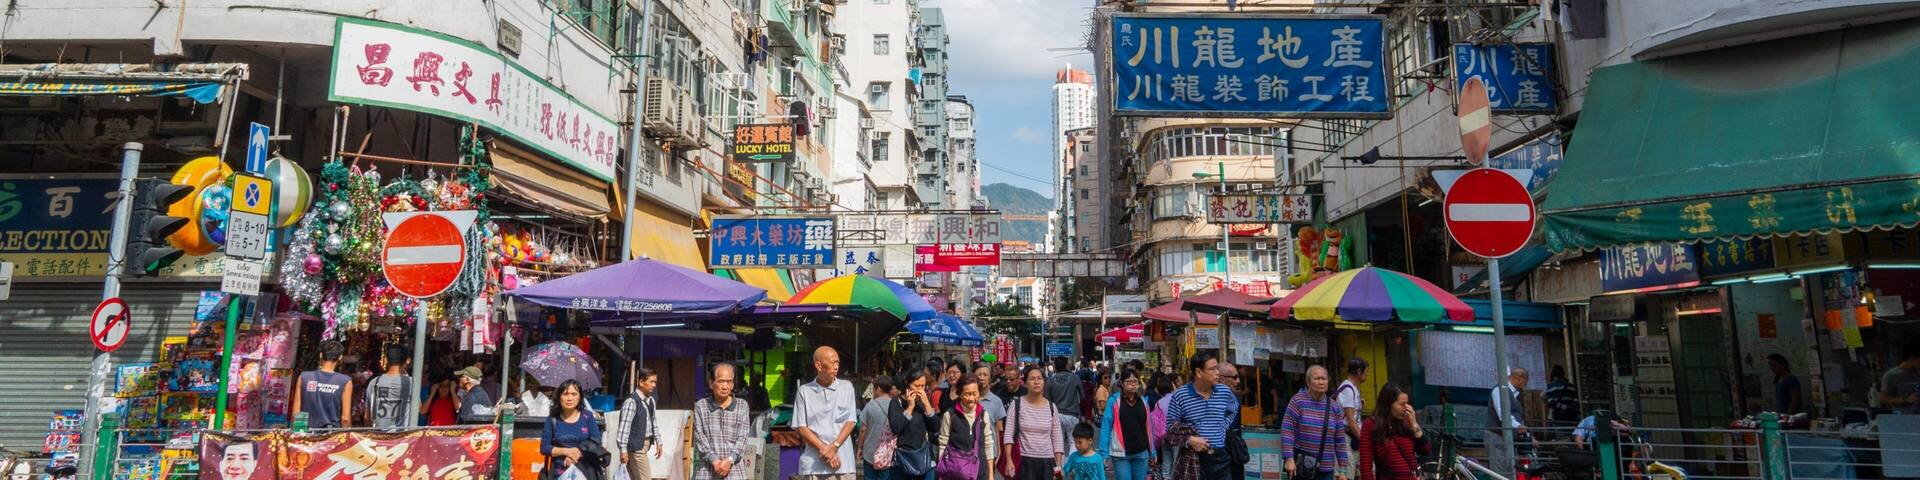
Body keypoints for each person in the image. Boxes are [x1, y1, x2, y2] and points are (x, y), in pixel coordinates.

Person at [1167, 354, 1240, 480]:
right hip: (1194, 459)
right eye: (1213, 369)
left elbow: (1233, 408)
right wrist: (1189, 440)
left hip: (1221, 455)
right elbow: (1169, 430)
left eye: (1218, 368)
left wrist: (1223, 426)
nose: (1218, 373)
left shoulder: (1224, 391)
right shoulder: (1180, 395)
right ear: (1199, 372)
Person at [796, 346, 859, 480]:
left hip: (844, 465)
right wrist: (825, 450)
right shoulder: (804, 391)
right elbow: (802, 427)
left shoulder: (847, 387)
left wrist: (834, 446)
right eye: (832, 362)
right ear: (819, 366)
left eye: (838, 363)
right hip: (814, 465)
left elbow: (851, 421)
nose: (836, 367)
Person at [1280, 365, 1348, 480]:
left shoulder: (1334, 407)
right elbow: (1287, 431)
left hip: (1326, 470)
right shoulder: (1297, 401)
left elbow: (1340, 440)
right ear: (1308, 382)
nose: (1321, 382)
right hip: (1302, 467)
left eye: (1324, 379)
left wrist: (1343, 470)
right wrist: (1289, 458)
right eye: (1317, 379)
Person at [1003, 366, 1064, 480]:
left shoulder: (1051, 407)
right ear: (1025, 383)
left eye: (1039, 378)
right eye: (1032, 379)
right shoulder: (1016, 405)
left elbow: (1057, 438)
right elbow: (1008, 435)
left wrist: (1058, 465)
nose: (1036, 382)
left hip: (1047, 462)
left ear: (1044, 382)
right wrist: (1009, 460)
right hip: (1024, 461)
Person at [693, 362, 752, 480]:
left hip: (735, 473)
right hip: (706, 473)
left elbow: (743, 438)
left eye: (729, 381)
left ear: (733, 384)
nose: (725, 386)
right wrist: (714, 460)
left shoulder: (742, 406)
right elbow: (699, 437)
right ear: (711, 383)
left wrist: (730, 460)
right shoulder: (701, 406)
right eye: (721, 381)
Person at [1098, 369, 1158, 480]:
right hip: (1120, 454)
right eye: (1129, 381)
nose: (1133, 385)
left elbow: (1149, 428)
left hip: (1141, 452)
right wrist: (1103, 452)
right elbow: (1106, 427)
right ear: (1121, 383)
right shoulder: (1114, 401)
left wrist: (1152, 451)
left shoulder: (1144, 402)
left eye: (1135, 381)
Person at [1357, 384, 1427, 480]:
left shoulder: (1407, 421)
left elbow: (1426, 450)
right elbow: (1366, 465)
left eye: (1407, 403)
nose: (1406, 408)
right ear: (1388, 404)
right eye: (1402, 404)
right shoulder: (1371, 424)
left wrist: (1414, 424)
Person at [935, 377, 999, 480]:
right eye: (967, 394)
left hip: (979, 472)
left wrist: (991, 474)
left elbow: (988, 444)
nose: (971, 398)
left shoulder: (983, 415)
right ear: (959, 394)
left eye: (975, 393)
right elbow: (943, 443)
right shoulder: (950, 415)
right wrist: (942, 473)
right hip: (955, 472)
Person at [540, 380, 602, 478]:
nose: (570, 398)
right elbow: (544, 448)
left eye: (574, 394)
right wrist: (567, 451)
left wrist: (576, 453)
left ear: (580, 397)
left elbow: (596, 440)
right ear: (559, 397)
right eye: (565, 394)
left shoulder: (587, 416)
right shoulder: (552, 419)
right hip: (559, 473)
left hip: (585, 472)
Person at [890, 371, 940, 479]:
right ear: (908, 384)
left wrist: (926, 404)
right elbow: (896, 427)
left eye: (923, 386)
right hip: (903, 458)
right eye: (916, 386)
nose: (920, 389)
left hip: (924, 458)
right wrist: (910, 407)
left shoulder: (923, 402)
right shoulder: (896, 402)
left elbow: (935, 427)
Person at [292, 340, 352, 429]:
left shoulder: (304, 377)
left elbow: (296, 413)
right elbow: (345, 419)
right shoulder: (345, 382)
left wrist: (299, 435)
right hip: (331, 437)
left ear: (321, 355)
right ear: (340, 358)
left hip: (306, 434)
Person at [619, 367, 663, 480]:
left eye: (655, 382)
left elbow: (654, 422)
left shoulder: (651, 400)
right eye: (651, 381)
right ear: (641, 382)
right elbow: (624, 428)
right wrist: (623, 450)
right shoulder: (631, 402)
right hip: (636, 448)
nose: (654, 385)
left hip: (645, 445)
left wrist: (659, 441)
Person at [1488, 367, 1532, 475]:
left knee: (1508, 470)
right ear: (1520, 378)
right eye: (1525, 382)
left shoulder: (1511, 393)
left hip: (1506, 437)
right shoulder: (1500, 390)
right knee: (1500, 472)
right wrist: (1518, 426)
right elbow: (1503, 414)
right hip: (1497, 437)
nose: (1524, 386)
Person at [859, 375, 897, 480]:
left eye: (874, 389)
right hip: (888, 453)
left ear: (878, 388)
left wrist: (860, 448)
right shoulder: (896, 405)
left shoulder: (870, 405)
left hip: (870, 452)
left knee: (869, 477)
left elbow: (863, 429)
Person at [365, 345, 413, 429]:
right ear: (408, 360)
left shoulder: (374, 383)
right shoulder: (411, 383)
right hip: (402, 437)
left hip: (378, 436)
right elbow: (421, 410)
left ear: (386, 360)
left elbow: (367, 417)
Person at [1336, 358, 1368, 480]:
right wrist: (1365, 442)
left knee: (1359, 473)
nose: (1367, 375)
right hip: (1347, 438)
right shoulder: (1348, 390)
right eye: (1366, 371)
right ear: (1359, 371)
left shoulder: (1353, 388)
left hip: (1353, 437)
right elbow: (1351, 421)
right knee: (1347, 476)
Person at [1043, 357, 1083, 455]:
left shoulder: (1050, 380)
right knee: (1073, 441)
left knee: (1058, 443)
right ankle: (1071, 466)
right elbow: (1082, 396)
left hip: (1056, 414)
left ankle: (1059, 467)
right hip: (1072, 414)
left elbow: (1047, 399)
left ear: (1055, 366)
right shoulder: (1075, 378)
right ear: (1066, 365)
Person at [973, 364, 1009, 440]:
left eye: (985, 375)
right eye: (979, 375)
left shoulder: (996, 401)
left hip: (990, 448)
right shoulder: (968, 399)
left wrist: (998, 451)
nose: (981, 378)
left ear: (990, 379)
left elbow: (999, 430)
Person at [1882, 343, 1920, 413]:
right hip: (1904, 416)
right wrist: (1905, 399)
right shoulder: (1892, 375)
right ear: (1912, 358)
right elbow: (1884, 399)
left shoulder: (1917, 372)